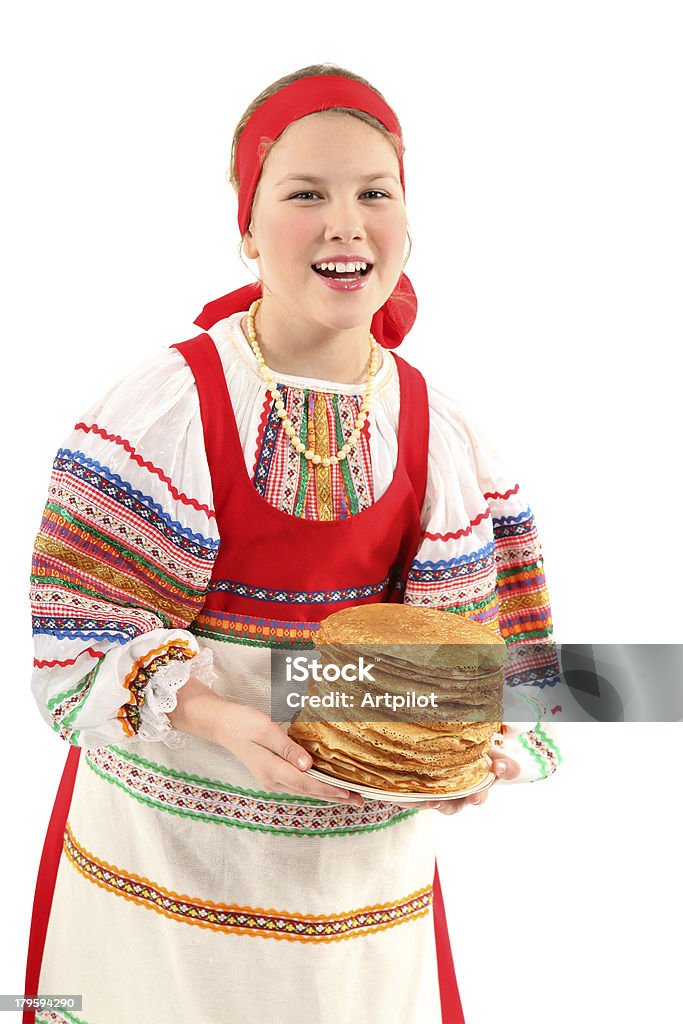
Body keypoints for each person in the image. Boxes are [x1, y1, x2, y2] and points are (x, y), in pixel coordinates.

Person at [24, 64, 562, 1024]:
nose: (344, 222)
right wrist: (227, 719)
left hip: (354, 871)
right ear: (246, 227)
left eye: (373, 193)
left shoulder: (438, 429)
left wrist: (461, 750)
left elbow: (485, 664)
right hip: (171, 844)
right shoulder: (171, 403)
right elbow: (77, 639)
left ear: (407, 222)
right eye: (304, 193)